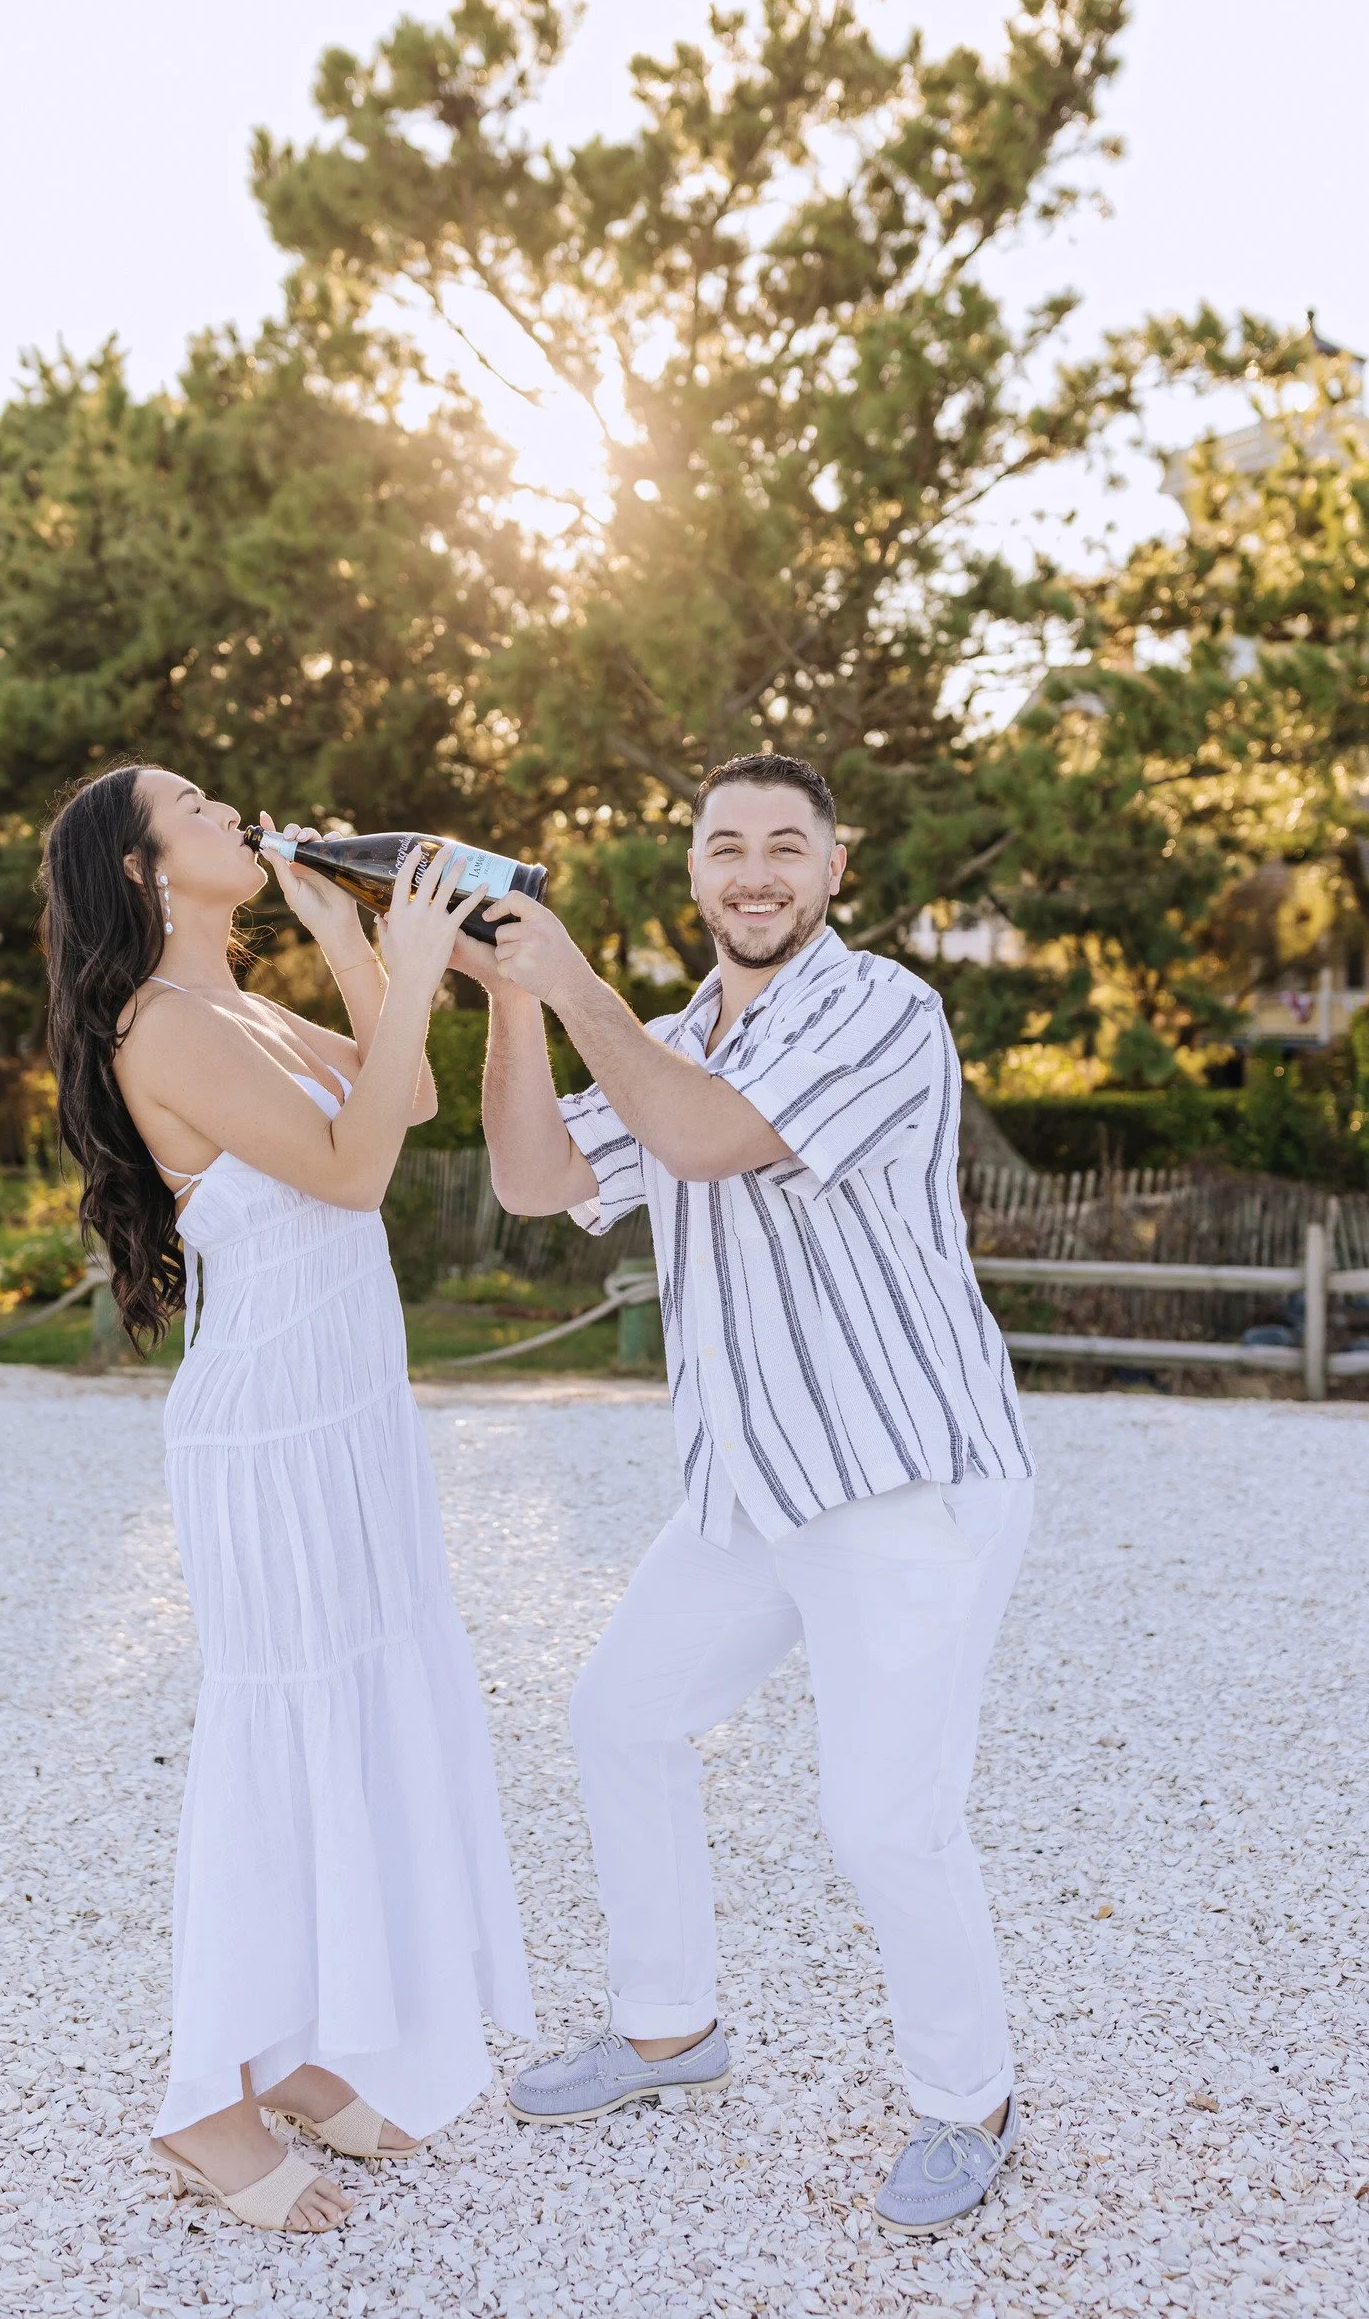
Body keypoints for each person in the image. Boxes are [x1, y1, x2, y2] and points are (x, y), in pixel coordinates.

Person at [458, 751, 1034, 2238]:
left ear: (836, 870)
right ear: (695, 874)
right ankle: (668, 2029)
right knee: (620, 1715)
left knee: (886, 1821)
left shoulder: (881, 1009)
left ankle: (969, 2101)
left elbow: (709, 1137)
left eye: (789, 844)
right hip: (755, 1484)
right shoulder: (669, 1035)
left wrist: (577, 990)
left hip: (904, 1478)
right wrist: (514, 990)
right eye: (728, 846)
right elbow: (532, 1179)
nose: (757, 871)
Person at [40, 766, 535, 2236]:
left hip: (348, 1419)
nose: (231, 813)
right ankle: (205, 2100)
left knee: (362, 1719)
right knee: (282, 1735)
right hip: (270, 1433)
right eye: (193, 807)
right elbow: (352, 1166)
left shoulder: (238, 1006)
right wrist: (428, 954)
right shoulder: (165, 1028)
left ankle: (305, 2053)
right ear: (142, 872)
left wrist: (349, 932)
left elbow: (414, 1091)